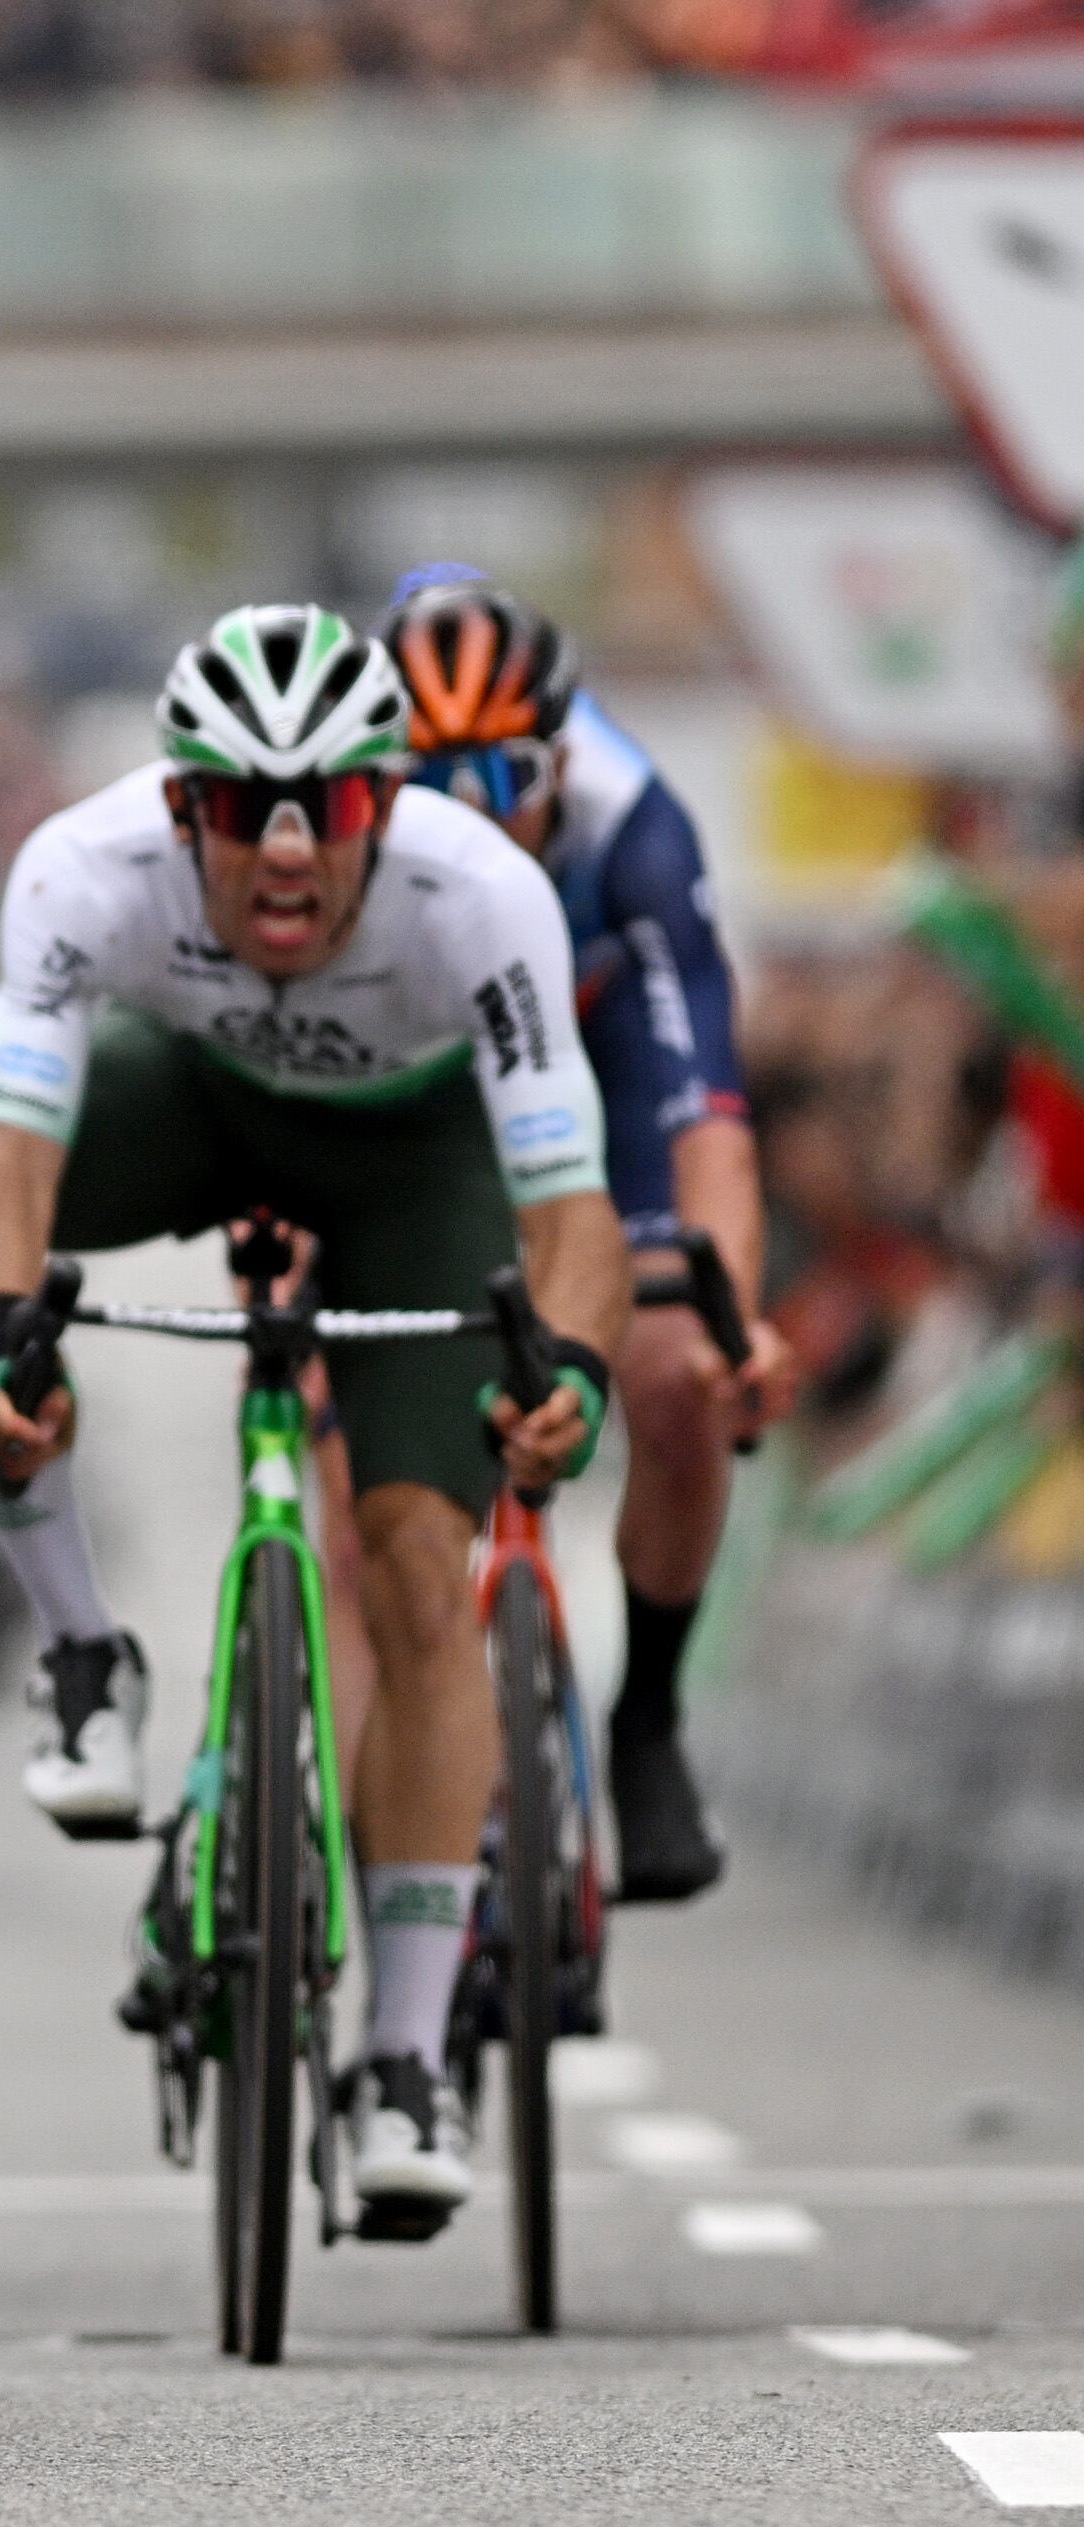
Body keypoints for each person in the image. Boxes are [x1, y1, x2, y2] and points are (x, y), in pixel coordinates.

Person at [0, 604, 630, 2219]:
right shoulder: (80, 872)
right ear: (172, 808)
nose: (274, 847)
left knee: (410, 1564)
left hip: (412, 1158)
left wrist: (577, 1376)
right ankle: (78, 1648)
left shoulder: (482, 895)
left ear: (381, 806)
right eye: (231, 808)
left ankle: (401, 2050)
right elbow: (3, 1155)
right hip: (189, 1098)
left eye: (317, 806)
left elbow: (568, 1206)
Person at [379, 568, 790, 1903]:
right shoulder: (345, 837)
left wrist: (733, 1309)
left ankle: (648, 1718)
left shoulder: (633, 833)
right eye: (430, 790)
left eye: (502, 781)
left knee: (675, 1370)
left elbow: (706, 1105)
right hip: (425, 1081)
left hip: (603, 1069)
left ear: (557, 755)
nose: (474, 827)